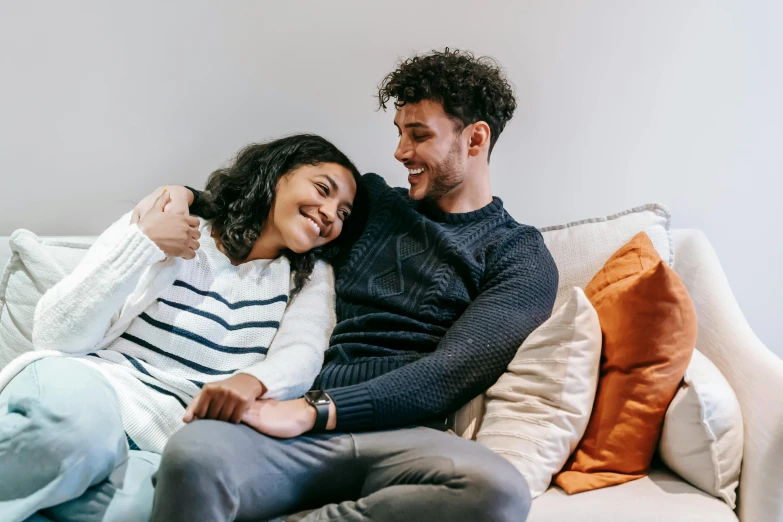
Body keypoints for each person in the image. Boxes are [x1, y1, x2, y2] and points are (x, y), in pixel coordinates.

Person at [147, 48, 560, 522]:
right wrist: (184, 196)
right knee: (193, 454)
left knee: (497, 491)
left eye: (419, 135)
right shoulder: (372, 204)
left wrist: (317, 410)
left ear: (475, 138)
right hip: (288, 422)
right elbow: (266, 197)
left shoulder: (518, 254)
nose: (401, 152)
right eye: (400, 133)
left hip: (403, 435)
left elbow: (452, 373)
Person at [0, 134, 361, 522]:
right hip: (92, 388)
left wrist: (253, 383)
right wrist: (144, 243)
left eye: (343, 213)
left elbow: (302, 354)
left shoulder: (308, 278)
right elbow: (56, 333)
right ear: (278, 174)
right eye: (323, 190)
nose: (329, 213)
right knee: (74, 438)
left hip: (164, 438)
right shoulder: (174, 218)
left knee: (137, 511)